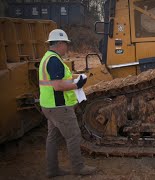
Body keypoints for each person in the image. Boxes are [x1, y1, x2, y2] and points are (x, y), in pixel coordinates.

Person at [39, 29, 96, 178]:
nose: (67, 47)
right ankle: (78, 168)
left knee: (52, 137)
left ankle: (52, 170)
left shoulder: (47, 58)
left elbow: (57, 81)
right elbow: (57, 86)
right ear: (59, 43)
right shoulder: (54, 61)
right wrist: (77, 85)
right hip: (59, 107)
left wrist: (75, 79)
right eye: (66, 44)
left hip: (49, 106)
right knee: (73, 136)